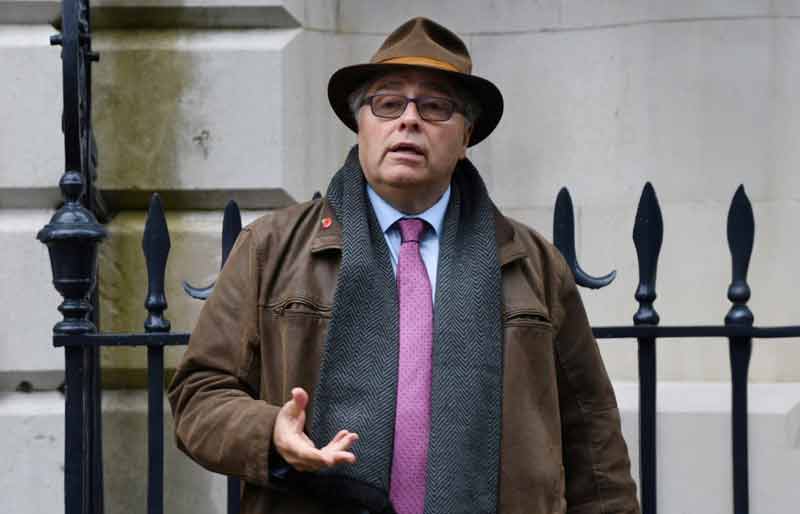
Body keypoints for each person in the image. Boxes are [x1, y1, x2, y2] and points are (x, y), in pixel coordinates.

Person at [168, 16, 640, 514]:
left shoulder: (533, 265)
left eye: (436, 106)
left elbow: (593, 439)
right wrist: (270, 433)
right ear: (361, 124)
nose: (409, 120)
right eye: (388, 103)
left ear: (466, 137)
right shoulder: (272, 247)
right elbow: (198, 394)